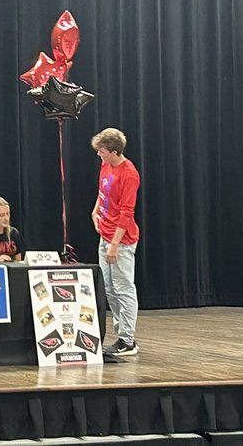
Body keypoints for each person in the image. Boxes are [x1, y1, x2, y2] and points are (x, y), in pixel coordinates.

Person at [90, 127, 141, 357]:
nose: (98, 154)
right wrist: (96, 211)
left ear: (114, 151)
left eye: (102, 151)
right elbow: (103, 191)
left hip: (122, 241)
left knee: (123, 288)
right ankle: (122, 335)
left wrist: (115, 244)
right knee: (109, 289)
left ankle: (127, 340)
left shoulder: (129, 174)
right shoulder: (106, 165)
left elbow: (127, 212)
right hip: (105, 234)